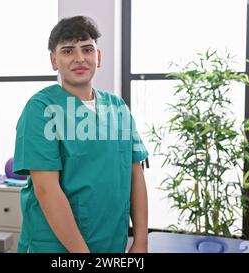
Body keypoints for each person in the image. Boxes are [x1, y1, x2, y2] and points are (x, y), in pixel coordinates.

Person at [13, 15, 149, 253]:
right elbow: (46, 190)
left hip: (110, 244)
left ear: (98, 56)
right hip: (57, 247)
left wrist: (140, 241)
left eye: (87, 49)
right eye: (67, 51)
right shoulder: (41, 109)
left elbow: (135, 175)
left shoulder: (118, 108)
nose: (79, 58)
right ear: (54, 60)